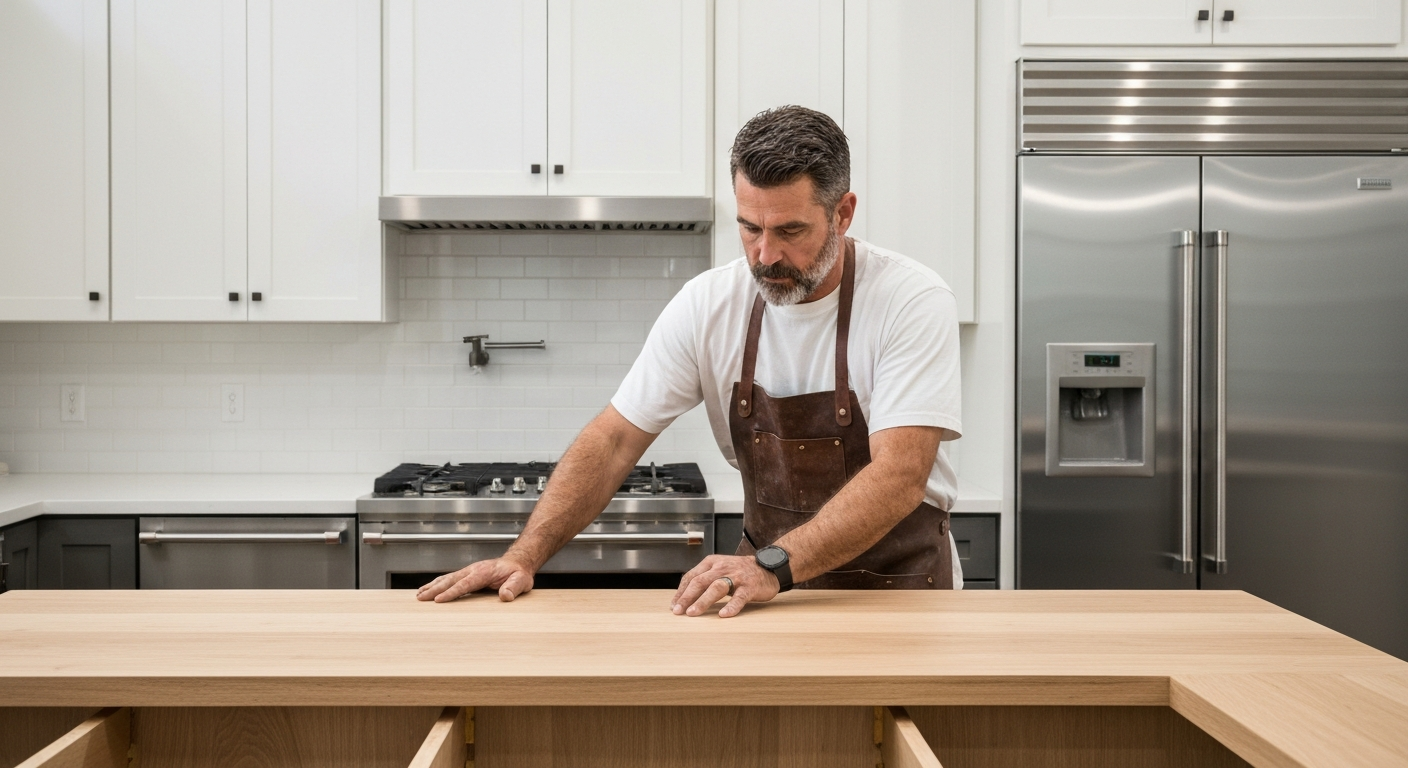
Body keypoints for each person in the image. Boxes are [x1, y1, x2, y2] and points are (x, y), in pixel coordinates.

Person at [417, 105, 963, 617]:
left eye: (790, 231)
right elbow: (613, 441)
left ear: (843, 213)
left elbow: (899, 474)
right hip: (768, 600)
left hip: (898, 597)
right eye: (749, 227)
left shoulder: (910, 300)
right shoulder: (709, 304)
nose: (765, 255)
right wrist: (523, 556)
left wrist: (772, 565)